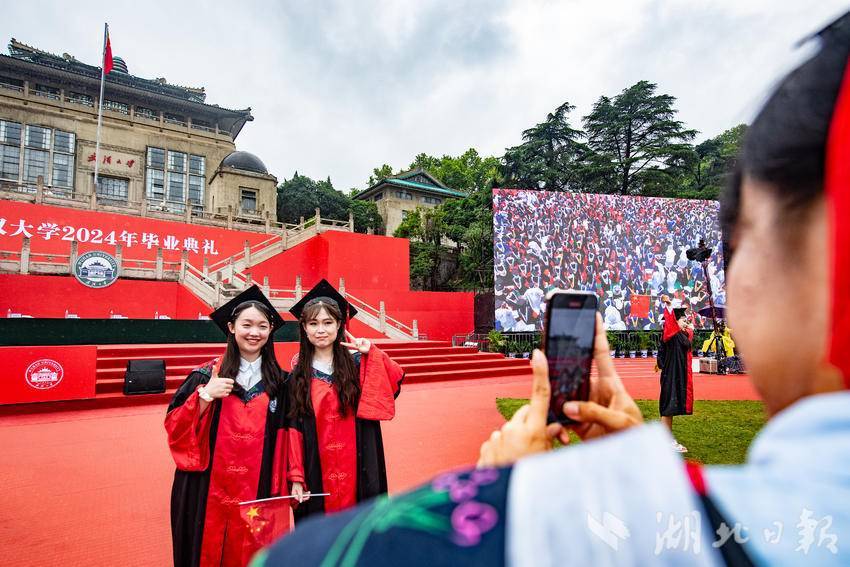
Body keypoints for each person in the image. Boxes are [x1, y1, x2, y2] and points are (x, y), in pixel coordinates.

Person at [253, 12, 850, 566]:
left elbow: (296, 557)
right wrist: (638, 472)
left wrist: (498, 490)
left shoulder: (537, 530)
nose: (322, 327)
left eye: (735, 241)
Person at [165, 286, 290, 567]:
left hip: (258, 487)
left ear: (270, 330)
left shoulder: (282, 383)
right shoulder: (204, 377)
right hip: (206, 489)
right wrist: (204, 397)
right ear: (231, 328)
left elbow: (294, 435)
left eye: (262, 326)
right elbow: (174, 428)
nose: (254, 332)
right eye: (246, 325)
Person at [285, 280, 405, 521]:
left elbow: (392, 384)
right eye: (313, 323)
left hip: (361, 463)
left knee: (359, 527)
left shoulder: (358, 365)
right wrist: (296, 476)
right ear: (304, 328)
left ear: (339, 325)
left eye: (328, 322)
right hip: (316, 467)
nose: (321, 330)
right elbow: (293, 430)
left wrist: (373, 353)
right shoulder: (297, 376)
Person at [659, 296, 694, 452]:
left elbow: (689, 338)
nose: (685, 323)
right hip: (671, 375)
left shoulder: (680, 335)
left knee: (671, 408)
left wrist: (688, 328)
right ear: (674, 321)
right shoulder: (671, 334)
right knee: (668, 408)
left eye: (686, 320)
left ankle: (665, 439)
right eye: (683, 320)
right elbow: (670, 323)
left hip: (676, 375)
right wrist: (669, 305)